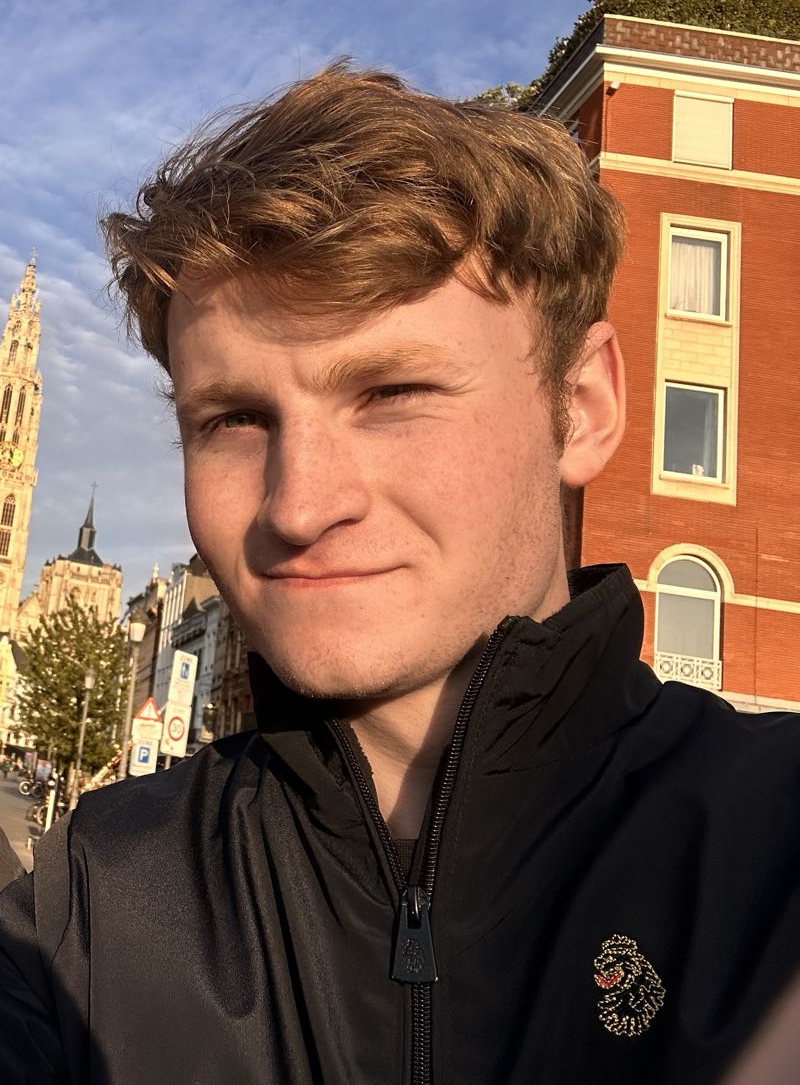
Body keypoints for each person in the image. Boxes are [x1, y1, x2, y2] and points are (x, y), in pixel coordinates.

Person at [0, 63, 798, 1084]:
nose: (300, 505)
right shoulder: (85, 913)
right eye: (235, 418)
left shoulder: (772, 851)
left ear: (584, 407)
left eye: (392, 392)